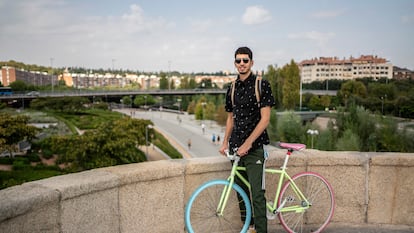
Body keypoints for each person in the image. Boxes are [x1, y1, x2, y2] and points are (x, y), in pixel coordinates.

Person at [219, 46, 275, 233]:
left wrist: (248, 143)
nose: (241, 64)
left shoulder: (262, 85)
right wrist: (225, 141)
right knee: (240, 192)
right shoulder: (232, 88)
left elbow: (265, 119)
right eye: (238, 60)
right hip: (236, 147)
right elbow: (230, 118)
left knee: (257, 195)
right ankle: (249, 227)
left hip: (254, 148)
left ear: (252, 62)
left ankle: (261, 230)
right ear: (234, 63)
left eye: (245, 60)